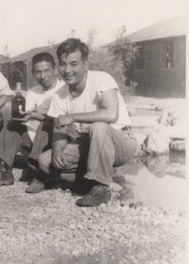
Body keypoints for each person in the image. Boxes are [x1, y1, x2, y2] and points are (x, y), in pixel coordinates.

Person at [35, 38, 137, 207]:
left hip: (120, 141)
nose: (67, 70)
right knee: (45, 161)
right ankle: (92, 176)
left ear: (86, 65)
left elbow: (111, 114)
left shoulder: (101, 79)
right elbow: (59, 130)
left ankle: (101, 187)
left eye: (73, 64)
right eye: (62, 64)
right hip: (88, 143)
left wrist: (74, 117)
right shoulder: (60, 94)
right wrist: (58, 150)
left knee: (99, 127)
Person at [0, 52, 64, 190]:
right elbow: (27, 117)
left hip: (54, 140)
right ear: (32, 73)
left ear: (55, 70)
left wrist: (35, 115)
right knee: (13, 123)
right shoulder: (33, 92)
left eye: (47, 71)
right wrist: (22, 118)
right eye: (38, 72)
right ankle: (3, 170)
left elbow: (61, 120)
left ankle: (39, 173)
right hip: (33, 138)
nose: (43, 76)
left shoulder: (63, 89)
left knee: (46, 123)